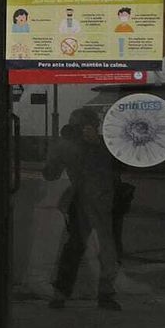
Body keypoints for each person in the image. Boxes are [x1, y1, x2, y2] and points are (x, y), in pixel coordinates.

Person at [43, 107, 121, 309]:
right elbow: (51, 172)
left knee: (87, 247)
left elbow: (50, 173)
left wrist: (96, 145)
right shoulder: (72, 145)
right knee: (93, 246)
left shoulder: (99, 146)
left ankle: (64, 293)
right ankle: (99, 292)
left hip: (97, 200)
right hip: (92, 200)